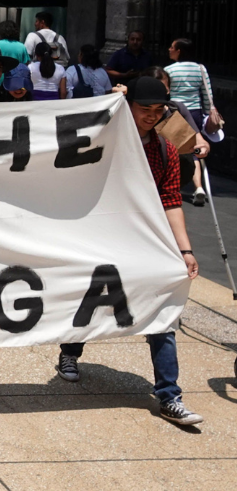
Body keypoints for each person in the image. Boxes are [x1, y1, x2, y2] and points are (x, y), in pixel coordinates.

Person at [54, 76, 202, 426]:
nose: (150, 116)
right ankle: (70, 351)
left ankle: (170, 395)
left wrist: (185, 250)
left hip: (146, 239)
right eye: (143, 109)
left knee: (162, 311)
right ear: (128, 106)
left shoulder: (166, 150)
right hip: (101, 234)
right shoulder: (105, 138)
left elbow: (170, 201)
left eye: (157, 111)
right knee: (90, 298)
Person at [166, 38, 216, 207]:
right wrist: (209, 114)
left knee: (171, 149)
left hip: (175, 111)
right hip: (194, 113)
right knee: (194, 151)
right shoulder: (200, 69)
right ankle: (199, 187)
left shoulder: (169, 70)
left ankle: (171, 185)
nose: (169, 49)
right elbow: (207, 93)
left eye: (172, 47)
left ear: (179, 50)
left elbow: (166, 92)